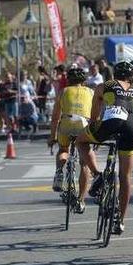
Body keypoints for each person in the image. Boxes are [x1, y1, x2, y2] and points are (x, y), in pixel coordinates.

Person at [76, 61, 133, 235]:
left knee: (80, 141)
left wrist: (93, 132)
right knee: (126, 176)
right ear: (132, 76)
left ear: (114, 74)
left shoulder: (103, 86)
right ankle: (121, 220)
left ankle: (97, 174)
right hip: (131, 127)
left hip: (110, 122)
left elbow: (94, 115)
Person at [48, 67, 93, 213]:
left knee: (63, 150)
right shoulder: (91, 92)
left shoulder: (63, 92)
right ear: (84, 81)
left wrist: (52, 136)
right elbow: (96, 116)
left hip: (66, 123)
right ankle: (80, 200)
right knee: (84, 163)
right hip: (84, 125)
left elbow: (55, 117)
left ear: (69, 80)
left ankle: (59, 171)